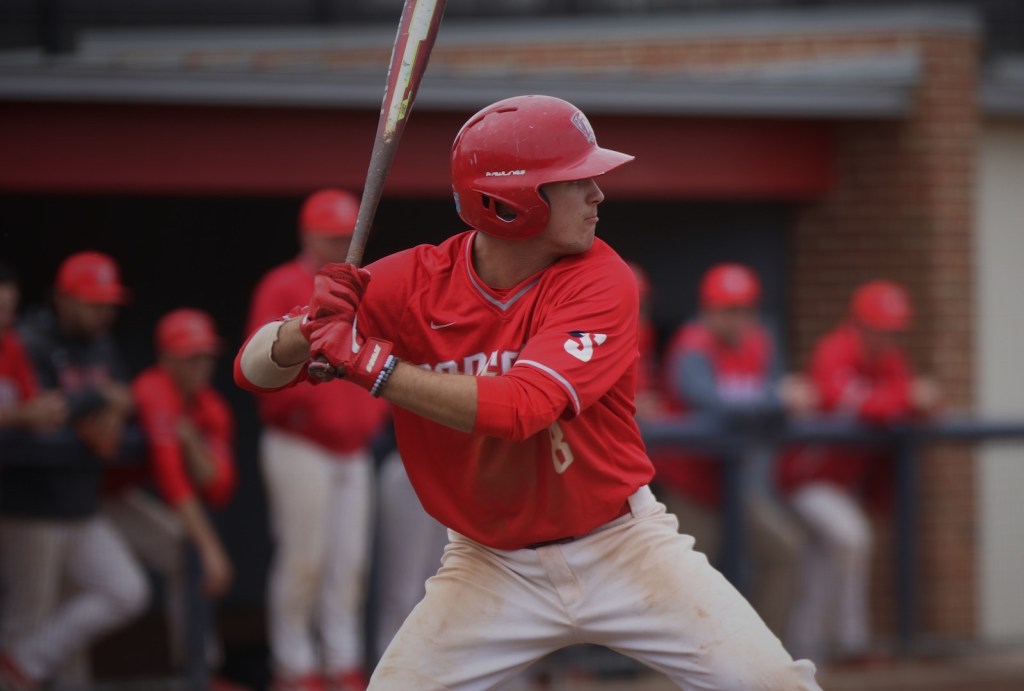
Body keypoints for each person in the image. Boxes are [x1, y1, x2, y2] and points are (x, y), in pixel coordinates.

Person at [235, 94, 821, 690]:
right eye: (575, 181)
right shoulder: (412, 281)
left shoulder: (601, 278)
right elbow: (252, 371)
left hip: (622, 547)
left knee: (778, 685)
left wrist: (374, 367)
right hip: (489, 564)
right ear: (510, 201)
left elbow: (523, 409)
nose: (597, 194)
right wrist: (304, 330)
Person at [245, 189, 391, 691]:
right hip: (299, 443)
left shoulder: (369, 285)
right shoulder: (282, 283)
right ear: (308, 235)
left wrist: (371, 417)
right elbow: (259, 368)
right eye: (331, 236)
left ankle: (341, 660)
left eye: (346, 236)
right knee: (303, 559)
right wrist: (307, 407)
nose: (340, 245)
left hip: (353, 450)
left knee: (349, 563)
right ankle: (294, 665)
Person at [0, 251, 148, 690]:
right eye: (92, 302)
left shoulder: (102, 343)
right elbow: (46, 412)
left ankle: (24, 661)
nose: (104, 313)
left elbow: (123, 401)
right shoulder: (28, 340)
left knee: (125, 590)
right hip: (30, 505)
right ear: (62, 299)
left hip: (81, 503)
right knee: (27, 615)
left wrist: (108, 409)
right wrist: (99, 400)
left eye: (108, 303)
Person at [778, 280, 942, 664]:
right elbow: (852, 403)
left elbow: (919, 404)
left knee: (820, 566)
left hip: (842, 483)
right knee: (852, 537)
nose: (888, 337)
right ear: (860, 323)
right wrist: (905, 398)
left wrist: (917, 402)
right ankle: (852, 644)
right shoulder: (833, 350)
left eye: (894, 330)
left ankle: (805, 654)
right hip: (804, 479)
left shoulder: (892, 359)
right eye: (881, 328)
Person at [649, 263, 814, 642]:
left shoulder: (759, 342)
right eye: (726, 309)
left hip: (733, 484)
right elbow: (710, 402)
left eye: (743, 309)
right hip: (690, 486)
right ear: (707, 310)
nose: (736, 318)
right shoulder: (690, 346)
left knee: (784, 551)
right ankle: (666, 669)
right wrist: (775, 400)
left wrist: (774, 402)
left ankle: (763, 654)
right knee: (684, 584)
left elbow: (775, 407)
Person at [103, 307, 237, 671]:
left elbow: (219, 488)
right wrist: (211, 549)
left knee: (184, 554)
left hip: (121, 499)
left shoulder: (210, 405)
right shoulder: (153, 389)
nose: (201, 366)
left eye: (206, 356)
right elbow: (171, 481)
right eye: (191, 357)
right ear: (167, 358)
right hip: (94, 498)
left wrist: (192, 446)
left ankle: (198, 668)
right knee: (179, 560)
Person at [0, 263, 67, 436]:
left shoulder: (12, 345)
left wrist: (49, 408)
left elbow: (30, 401)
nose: (6, 319)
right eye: (1, 308)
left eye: (10, 309)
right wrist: (20, 416)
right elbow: (25, 413)